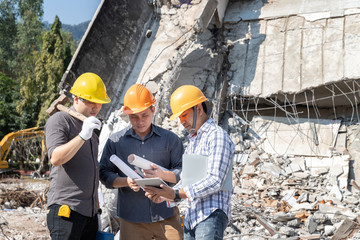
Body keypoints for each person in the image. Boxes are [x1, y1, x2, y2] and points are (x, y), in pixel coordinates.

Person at [144, 85, 235, 240]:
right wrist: (164, 196)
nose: (181, 121)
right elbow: (188, 182)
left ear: (198, 109)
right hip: (192, 217)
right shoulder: (193, 142)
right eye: (179, 117)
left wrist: (176, 194)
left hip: (211, 214)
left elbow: (215, 180)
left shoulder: (217, 136)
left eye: (184, 115)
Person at [99, 84, 184, 240]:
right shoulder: (116, 141)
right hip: (132, 219)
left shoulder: (170, 139)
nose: (140, 121)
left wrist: (162, 174)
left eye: (144, 115)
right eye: (134, 117)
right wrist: (126, 181)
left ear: (153, 109)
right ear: (127, 115)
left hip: (166, 215)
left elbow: (183, 171)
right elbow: (104, 173)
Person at [45, 72, 111, 240]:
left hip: (89, 214)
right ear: (76, 99)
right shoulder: (60, 120)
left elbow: (92, 172)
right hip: (66, 210)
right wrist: (82, 135)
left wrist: (96, 210)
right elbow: (56, 158)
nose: (96, 108)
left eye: (99, 103)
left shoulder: (92, 133)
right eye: (91, 102)